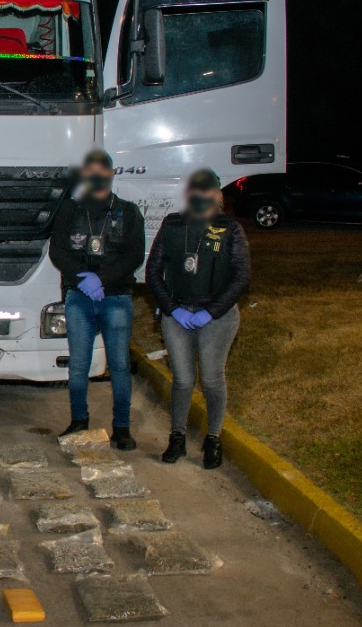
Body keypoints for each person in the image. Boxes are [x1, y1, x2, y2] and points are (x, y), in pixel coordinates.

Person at [145, 168, 251, 469]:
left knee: (212, 379)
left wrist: (211, 312)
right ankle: (177, 437)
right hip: (178, 314)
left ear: (217, 194)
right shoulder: (173, 225)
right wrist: (172, 309)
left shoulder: (230, 229)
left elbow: (241, 276)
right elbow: (153, 272)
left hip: (216, 317)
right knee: (182, 379)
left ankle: (213, 439)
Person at [49, 149, 145, 449]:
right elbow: (58, 251)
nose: (97, 178)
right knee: (78, 366)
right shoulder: (70, 209)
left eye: (102, 173)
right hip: (79, 297)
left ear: (112, 174)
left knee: (119, 365)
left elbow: (134, 255)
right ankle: (79, 421)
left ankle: (122, 428)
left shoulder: (128, 211)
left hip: (115, 298)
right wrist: (84, 280)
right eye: (91, 174)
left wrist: (101, 280)